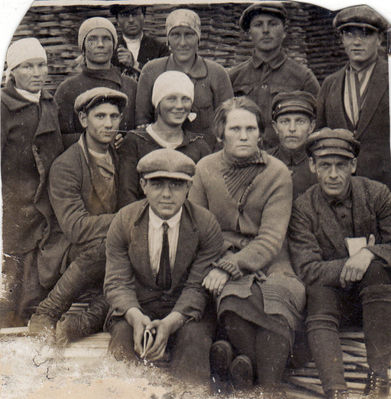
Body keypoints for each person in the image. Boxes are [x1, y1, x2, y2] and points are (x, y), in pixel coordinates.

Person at [189, 97, 305, 398]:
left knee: (280, 298)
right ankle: (265, 381)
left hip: (271, 257)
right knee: (233, 299)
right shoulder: (204, 169)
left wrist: (231, 267)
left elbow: (270, 238)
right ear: (220, 133)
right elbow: (197, 229)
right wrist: (223, 261)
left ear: (261, 133)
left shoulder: (277, 172)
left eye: (251, 128)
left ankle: (254, 376)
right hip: (219, 254)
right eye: (235, 128)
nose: (243, 135)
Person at [104, 149, 223, 384]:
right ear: (143, 185)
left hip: (186, 310)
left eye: (177, 185)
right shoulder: (124, 221)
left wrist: (170, 323)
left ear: (189, 187)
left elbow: (197, 288)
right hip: (138, 306)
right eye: (157, 185)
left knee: (194, 341)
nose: (167, 195)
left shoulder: (205, 223)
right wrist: (135, 316)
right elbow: (117, 282)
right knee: (123, 341)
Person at [289, 128, 391, 399]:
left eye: (341, 165)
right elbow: (308, 269)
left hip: (379, 304)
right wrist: (353, 263)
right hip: (333, 304)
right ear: (313, 166)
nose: (333, 174)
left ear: (353, 165)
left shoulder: (378, 195)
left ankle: (379, 378)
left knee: (378, 268)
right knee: (319, 292)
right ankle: (336, 391)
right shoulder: (303, 208)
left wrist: (369, 254)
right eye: (325, 165)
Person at [28, 88, 128, 346]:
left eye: (114, 117)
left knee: (135, 264)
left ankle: (81, 324)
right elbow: (76, 228)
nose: (108, 124)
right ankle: (48, 310)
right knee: (110, 249)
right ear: (84, 120)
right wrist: (126, 221)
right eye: (100, 116)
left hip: (111, 247)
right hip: (70, 251)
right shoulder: (67, 165)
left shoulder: (120, 156)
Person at [1, 38, 65, 327]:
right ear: (13, 71)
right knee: (13, 267)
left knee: (38, 272)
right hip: (14, 201)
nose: (37, 72)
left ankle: (30, 320)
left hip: (45, 201)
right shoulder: (4, 107)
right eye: (28, 66)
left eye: (41, 65)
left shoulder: (50, 103)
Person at [135, 8, 233, 150]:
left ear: (198, 37)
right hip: (162, 156)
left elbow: (228, 123)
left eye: (189, 34)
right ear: (167, 38)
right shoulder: (151, 71)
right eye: (175, 35)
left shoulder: (217, 73)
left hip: (206, 157)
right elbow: (142, 123)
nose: (182, 43)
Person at [317, 5, 391, 187]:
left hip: (385, 186)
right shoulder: (330, 84)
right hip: (341, 188)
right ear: (341, 39)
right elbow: (320, 135)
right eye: (349, 34)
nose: (357, 42)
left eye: (365, 34)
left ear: (380, 39)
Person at [229, 2, 320, 149]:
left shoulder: (303, 77)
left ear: (284, 32)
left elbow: (318, 125)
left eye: (272, 24)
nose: (265, 30)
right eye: (258, 25)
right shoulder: (234, 76)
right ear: (249, 34)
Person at [118, 70, 210, 207]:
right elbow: (127, 197)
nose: (179, 106)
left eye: (185, 99)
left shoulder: (199, 146)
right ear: (158, 103)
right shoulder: (135, 141)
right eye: (171, 98)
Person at [54, 17, 136, 142]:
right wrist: (92, 140)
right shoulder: (67, 89)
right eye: (92, 39)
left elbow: (142, 130)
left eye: (106, 39)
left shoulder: (130, 86)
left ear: (114, 45)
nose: (100, 45)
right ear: (83, 46)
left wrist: (126, 140)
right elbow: (59, 137)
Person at [268, 91, 318, 199]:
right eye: (285, 122)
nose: (292, 129)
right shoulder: (264, 162)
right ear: (275, 127)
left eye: (300, 122)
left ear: (311, 126)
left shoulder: (320, 165)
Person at [109, 4, 169, 77]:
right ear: (117, 21)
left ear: (144, 17)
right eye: (125, 15)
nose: (131, 20)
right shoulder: (111, 50)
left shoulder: (160, 49)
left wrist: (135, 64)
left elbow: (164, 78)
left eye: (135, 14)